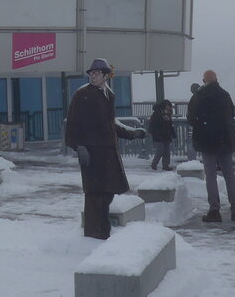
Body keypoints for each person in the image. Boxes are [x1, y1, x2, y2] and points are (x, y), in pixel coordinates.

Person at [64, 58, 147, 239]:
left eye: (96, 74)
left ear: (105, 76)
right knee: (94, 196)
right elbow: (72, 123)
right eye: (91, 74)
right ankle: (93, 235)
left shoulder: (109, 94)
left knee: (106, 194)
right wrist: (79, 146)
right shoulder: (82, 94)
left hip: (107, 153)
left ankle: (104, 232)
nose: (93, 77)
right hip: (91, 153)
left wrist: (132, 134)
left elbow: (111, 124)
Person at [188, 68, 235, 222]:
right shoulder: (225, 95)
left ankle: (214, 210)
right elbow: (230, 115)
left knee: (210, 176)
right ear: (217, 80)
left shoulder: (198, 97)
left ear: (204, 81)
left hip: (207, 141)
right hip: (225, 140)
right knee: (229, 175)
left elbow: (191, 118)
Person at [148, 100, 175, 171]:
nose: (169, 107)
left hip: (166, 135)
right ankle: (154, 164)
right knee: (160, 150)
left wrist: (172, 133)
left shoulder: (167, 114)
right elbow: (153, 126)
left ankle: (166, 165)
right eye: (168, 106)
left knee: (166, 151)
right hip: (158, 136)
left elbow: (170, 125)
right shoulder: (157, 114)